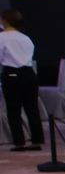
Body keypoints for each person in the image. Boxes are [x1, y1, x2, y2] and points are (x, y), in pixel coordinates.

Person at [0, 10, 44, 151]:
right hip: (29, 73)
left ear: (5, 21)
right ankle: (37, 140)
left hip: (12, 74)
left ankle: (19, 142)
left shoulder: (2, 37)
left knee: (14, 110)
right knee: (32, 109)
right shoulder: (25, 37)